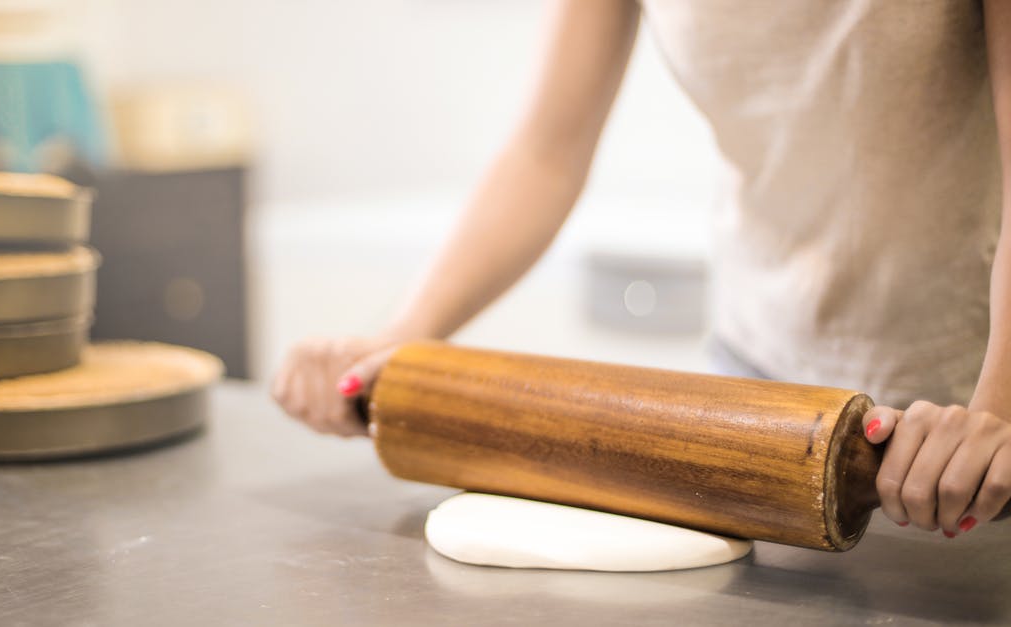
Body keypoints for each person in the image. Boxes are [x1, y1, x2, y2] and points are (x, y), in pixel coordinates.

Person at [272, 1, 1011, 539]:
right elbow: (547, 150)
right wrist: (407, 334)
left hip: (963, 408)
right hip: (762, 398)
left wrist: (995, 412)